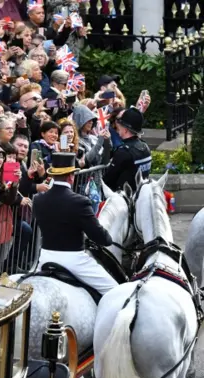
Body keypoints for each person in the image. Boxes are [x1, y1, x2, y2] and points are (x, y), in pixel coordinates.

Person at [33, 152, 117, 295]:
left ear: (52, 175)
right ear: (71, 177)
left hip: (45, 257)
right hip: (74, 261)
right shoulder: (80, 202)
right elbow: (99, 237)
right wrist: (108, 239)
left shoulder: (38, 199)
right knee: (115, 292)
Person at [103, 107, 152, 193]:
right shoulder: (145, 147)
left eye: (120, 126)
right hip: (141, 196)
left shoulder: (124, 152)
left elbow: (107, 180)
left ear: (125, 129)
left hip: (125, 200)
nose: (118, 129)